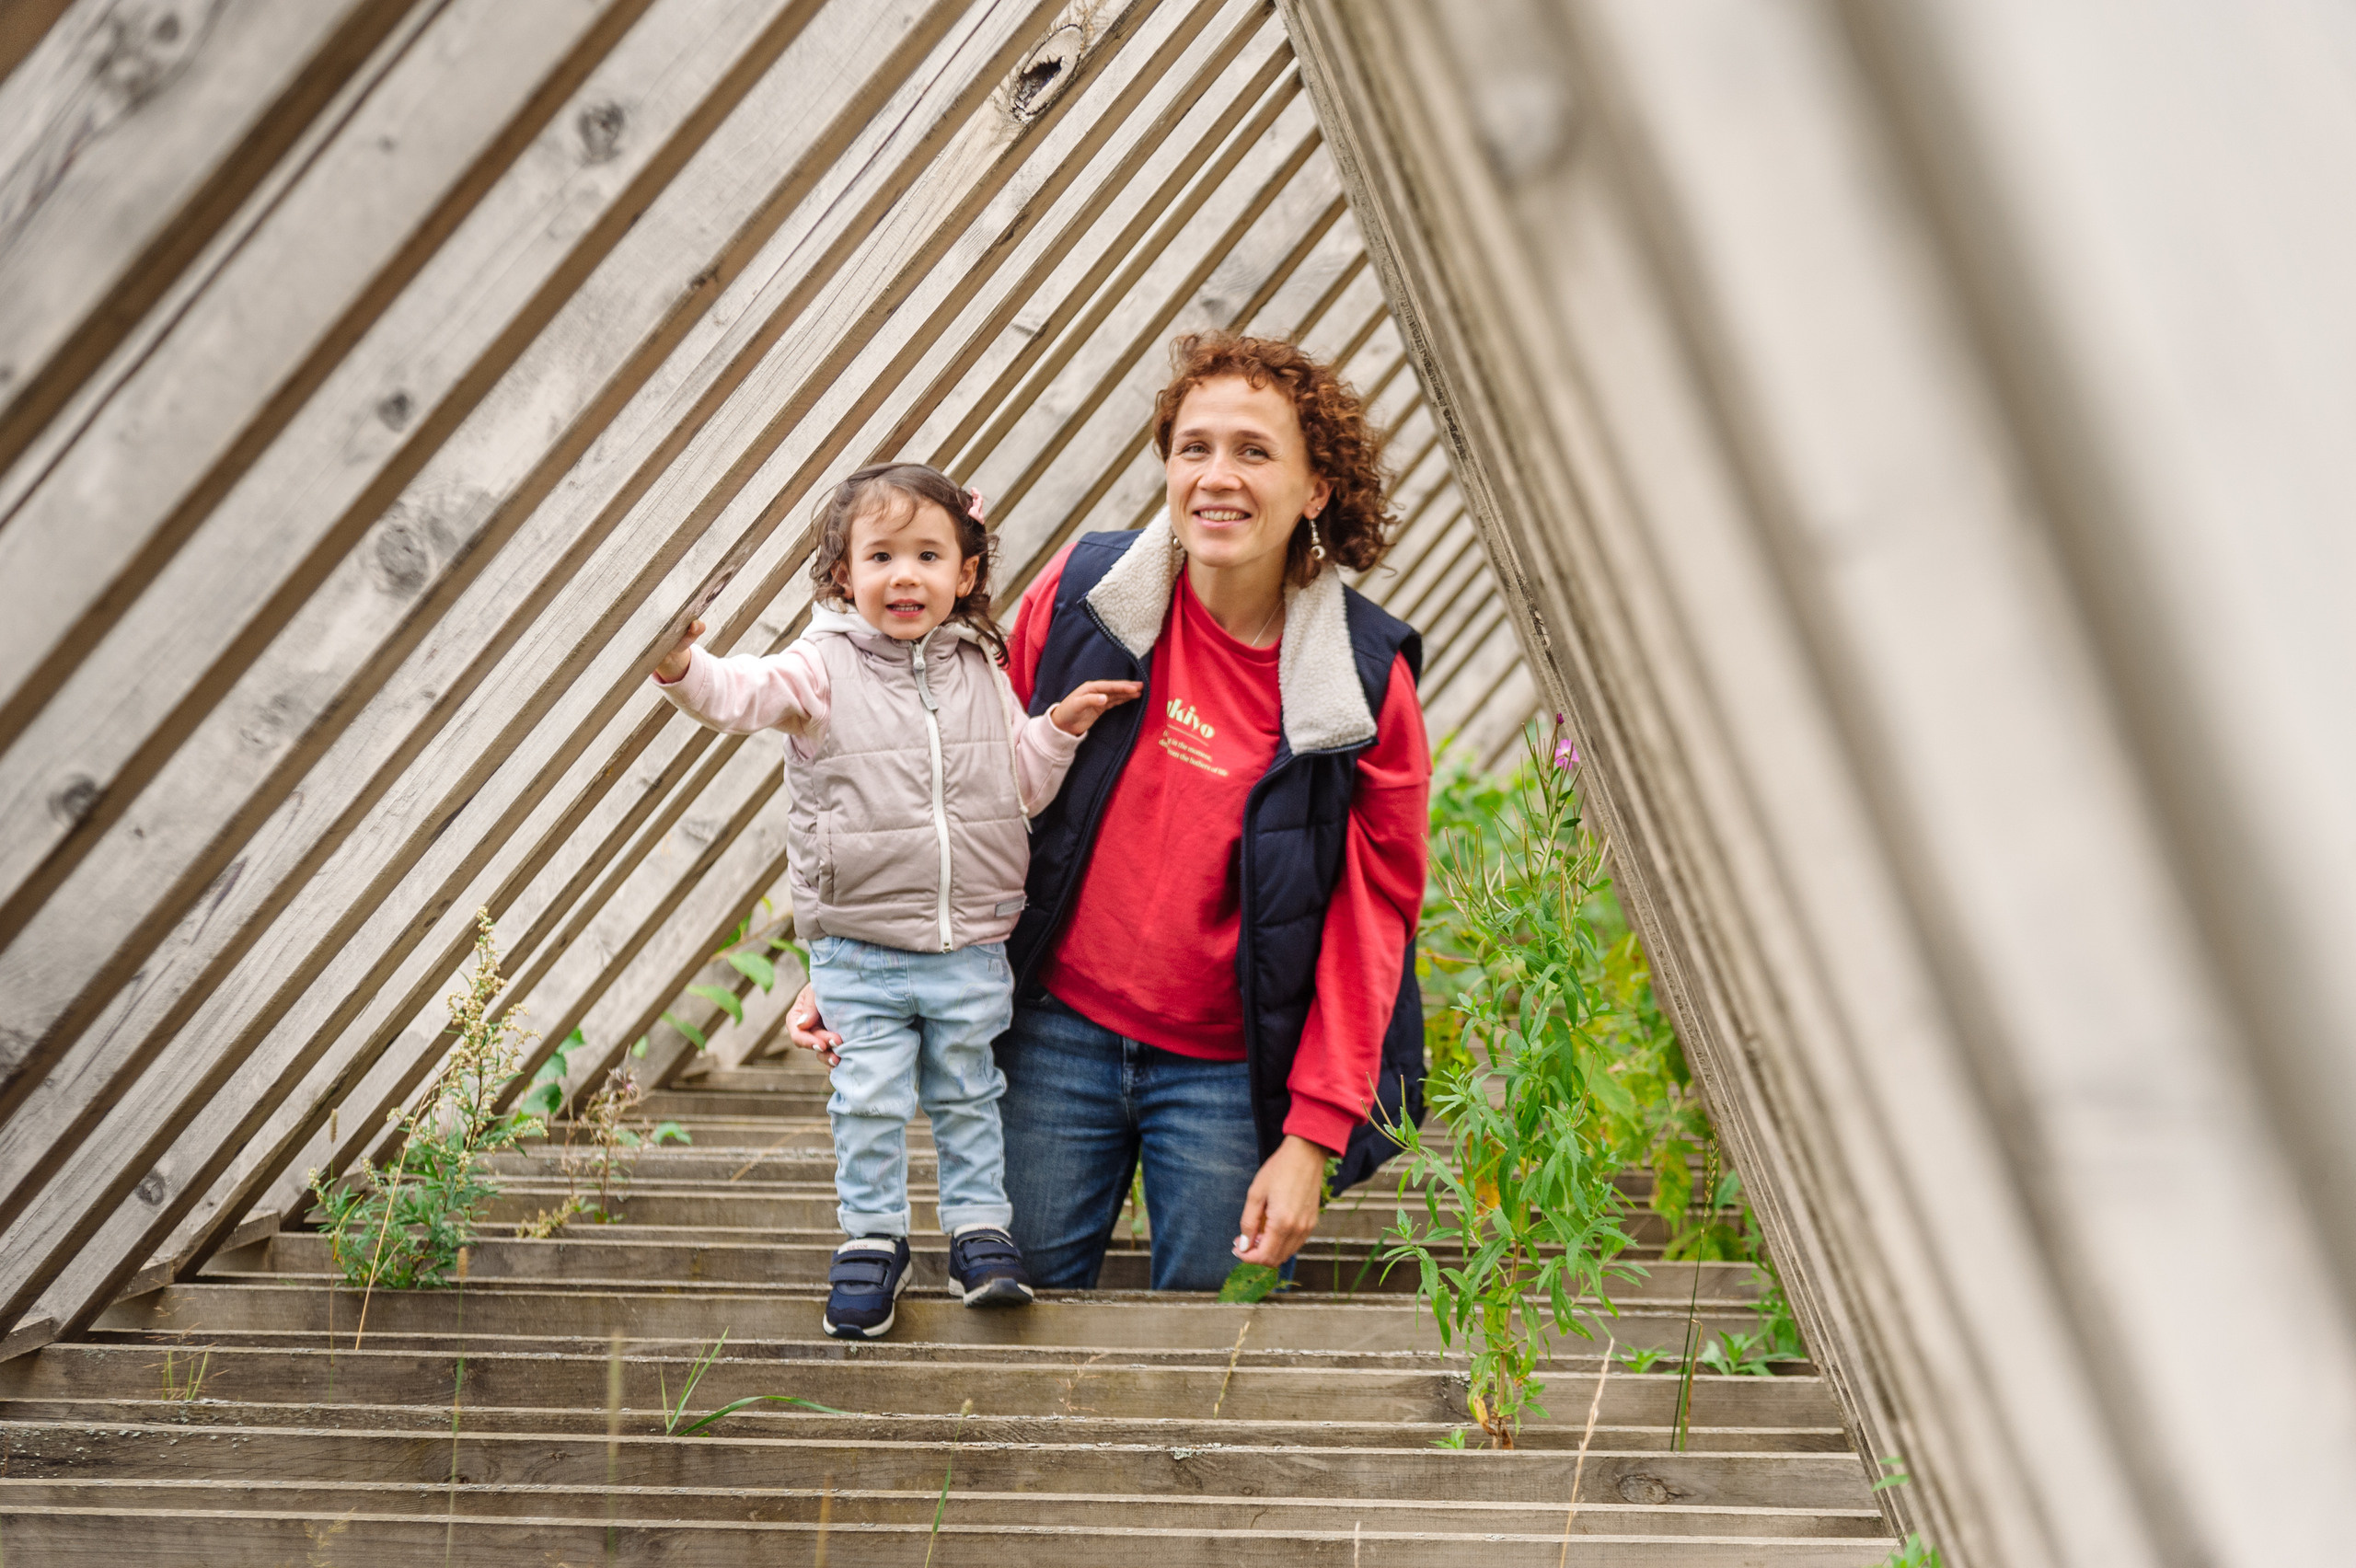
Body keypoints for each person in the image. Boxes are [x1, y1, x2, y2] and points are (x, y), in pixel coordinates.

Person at [791, 335, 1431, 1291]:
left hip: (1228, 1070)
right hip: (1055, 1035)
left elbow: (1371, 917)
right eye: (1194, 447)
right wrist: (862, 961)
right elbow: (942, 783)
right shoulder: (1087, 595)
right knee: (1012, 1313)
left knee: (1214, 1350)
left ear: (1316, 488)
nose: (1217, 477)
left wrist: (1313, 1133)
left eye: (1254, 451)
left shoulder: (1361, 680)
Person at [652, 463, 1138, 1338]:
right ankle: (873, 1239)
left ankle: (979, 1233)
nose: (904, 575)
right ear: (844, 576)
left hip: (971, 945)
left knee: (969, 1093)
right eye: (880, 556)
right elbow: (738, 695)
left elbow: (1015, 788)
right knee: (868, 1101)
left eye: (927, 554)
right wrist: (681, 664)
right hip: (862, 951)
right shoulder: (821, 667)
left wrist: (1056, 730)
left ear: (967, 573)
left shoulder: (977, 667)